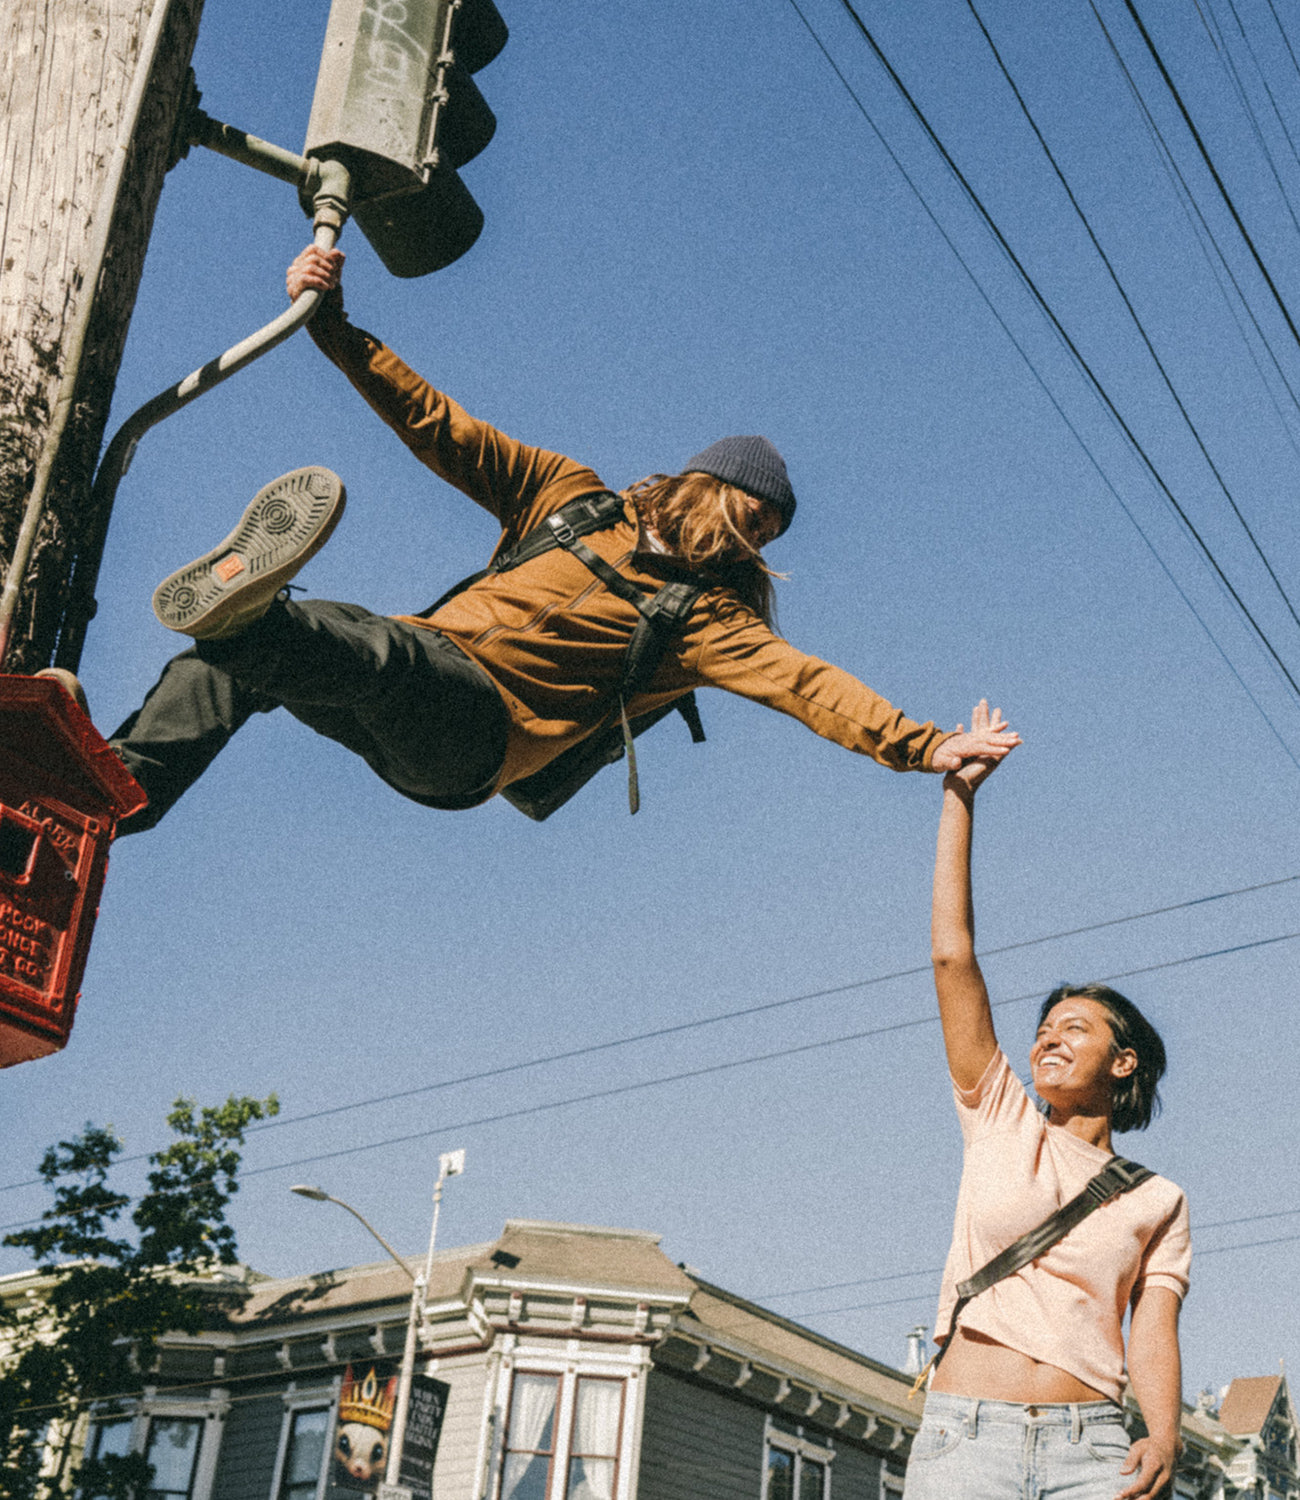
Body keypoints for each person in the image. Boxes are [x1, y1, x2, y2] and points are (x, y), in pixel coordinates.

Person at [97, 246, 1020, 834]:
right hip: (411, 682)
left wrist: (922, 743)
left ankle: (254, 614)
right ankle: (112, 794)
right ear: (704, 489)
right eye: (747, 520)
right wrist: (335, 331)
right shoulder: (569, 496)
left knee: (375, 650)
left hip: (476, 736)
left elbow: (806, 683)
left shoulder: (704, 621)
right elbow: (441, 428)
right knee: (226, 663)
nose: (748, 545)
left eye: (764, 539)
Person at [906, 702, 1189, 1500]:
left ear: (1122, 1060)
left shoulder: (1160, 1201)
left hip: (1091, 1451)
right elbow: (950, 955)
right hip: (966, 1439)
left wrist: (1161, 1436)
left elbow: (1154, 1331)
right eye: (1041, 1030)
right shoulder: (999, 1114)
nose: (1046, 1040)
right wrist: (959, 797)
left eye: (1074, 1027)